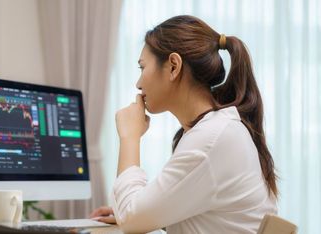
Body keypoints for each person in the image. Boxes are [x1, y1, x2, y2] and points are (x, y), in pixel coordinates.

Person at [90, 15, 278, 233]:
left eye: (142, 68)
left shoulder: (211, 138)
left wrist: (129, 137)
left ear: (173, 66)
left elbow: (131, 221)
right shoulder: (219, 130)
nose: (138, 83)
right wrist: (147, 214)